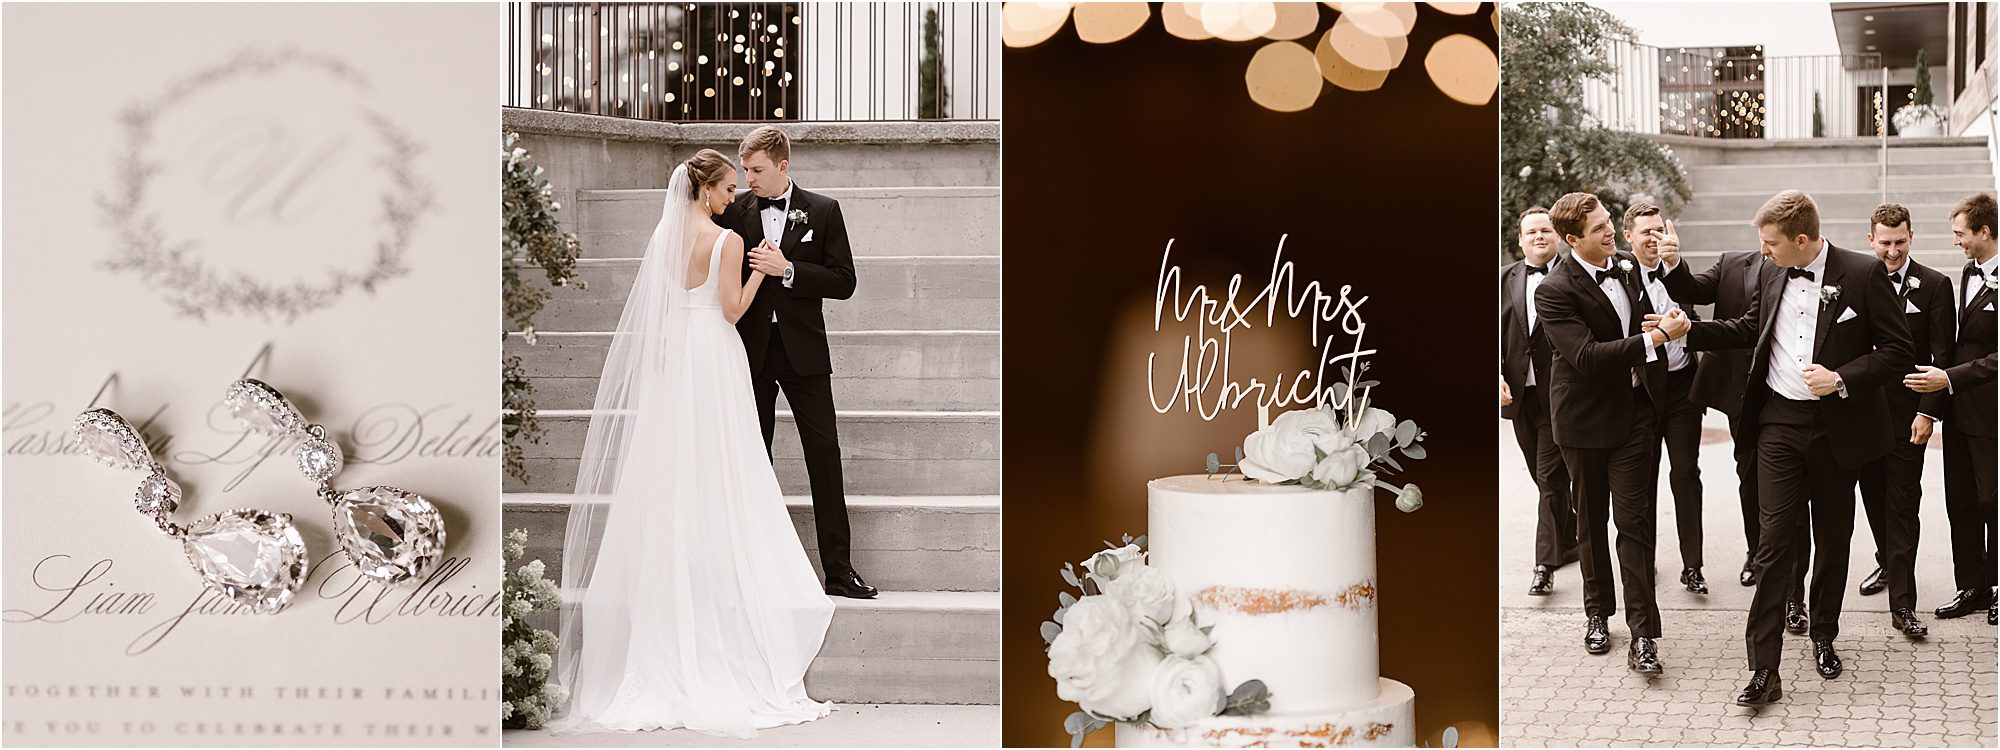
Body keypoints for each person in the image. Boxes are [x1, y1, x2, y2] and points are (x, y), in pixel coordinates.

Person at [551, 151, 836, 736]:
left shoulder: (664, 237)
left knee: (672, 464)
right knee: (722, 462)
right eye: (729, 188)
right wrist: (761, 269)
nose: (736, 198)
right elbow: (731, 311)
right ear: (705, 190)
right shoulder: (728, 240)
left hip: (673, 360)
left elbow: (659, 310)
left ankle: (674, 564)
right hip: (712, 356)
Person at [1672, 190, 1914, 705]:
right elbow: (1746, 328)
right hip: (1778, 422)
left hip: (1837, 427)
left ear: (1801, 240)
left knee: (1832, 536)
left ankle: (1825, 634)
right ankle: (1764, 669)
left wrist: (1843, 377)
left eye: (1770, 243)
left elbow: (1898, 351)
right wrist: (1690, 329)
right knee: (1774, 541)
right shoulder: (1771, 270)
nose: (1762, 252)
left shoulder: (1864, 274)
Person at [711, 126, 877, 599]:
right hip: (751, 352)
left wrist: (787, 271)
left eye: (757, 170)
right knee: (751, 459)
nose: (748, 179)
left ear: (783, 166)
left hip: (804, 353)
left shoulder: (824, 211)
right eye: (744, 170)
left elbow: (844, 280)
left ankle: (840, 571)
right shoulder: (735, 210)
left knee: (824, 459)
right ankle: (749, 572)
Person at [1536, 192, 1679, 675]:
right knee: (1591, 522)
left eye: (1608, 224)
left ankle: (1644, 635)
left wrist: (1662, 324)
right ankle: (1597, 613)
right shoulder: (1554, 290)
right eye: (1599, 230)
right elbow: (1588, 358)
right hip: (1583, 419)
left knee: (1634, 524)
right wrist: (1653, 340)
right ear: (1572, 239)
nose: (1610, 234)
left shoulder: (1625, 266)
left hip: (1636, 413)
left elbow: (1638, 320)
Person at [1854, 203, 1950, 639]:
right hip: (1861, 415)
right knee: (1873, 499)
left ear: (1912, 236)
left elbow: (1942, 357)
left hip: (1908, 416)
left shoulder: (1934, 285)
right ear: (1870, 239)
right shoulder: (1853, 281)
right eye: (1884, 242)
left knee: (1902, 504)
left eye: (1900, 242)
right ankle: (1887, 563)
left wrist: (1928, 412)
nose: (1892, 251)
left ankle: (1904, 606)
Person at [1909, 192, 1999, 626]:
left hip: (1993, 414)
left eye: (1961, 234)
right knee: (1960, 501)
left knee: (1993, 501)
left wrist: (1949, 378)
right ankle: (1973, 586)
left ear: (1985, 232)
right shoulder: (1967, 273)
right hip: (1960, 413)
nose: (1956, 242)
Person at [1502, 206, 1576, 596]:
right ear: (1520, 239)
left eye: (1545, 230)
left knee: (1550, 478)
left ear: (1558, 235)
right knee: (1540, 476)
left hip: (1560, 395)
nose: (1539, 237)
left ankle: (1544, 566)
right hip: (1518, 395)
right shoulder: (1504, 279)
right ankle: (1571, 534)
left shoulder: (1572, 275)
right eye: (1531, 232)